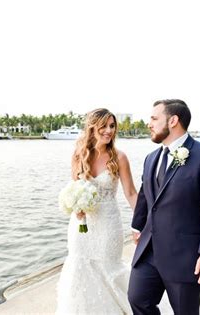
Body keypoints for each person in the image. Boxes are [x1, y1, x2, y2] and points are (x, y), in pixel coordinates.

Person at [128, 99, 200, 315]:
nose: (149, 123)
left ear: (173, 120)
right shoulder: (151, 158)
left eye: (154, 118)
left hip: (185, 256)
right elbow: (146, 196)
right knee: (137, 299)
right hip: (148, 251)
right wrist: (138, 226)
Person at [55, 108, 138, 314]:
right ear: (93, 127)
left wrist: (142, 223)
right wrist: (76, 208)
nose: (109, 131)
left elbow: (131, 193)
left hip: (109, 225)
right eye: (104, 126)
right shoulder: (78, 155)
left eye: (112, 126)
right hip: (81, 226)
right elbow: (75, 188)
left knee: (109, 269)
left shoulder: (119, 158)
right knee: (79, 268)